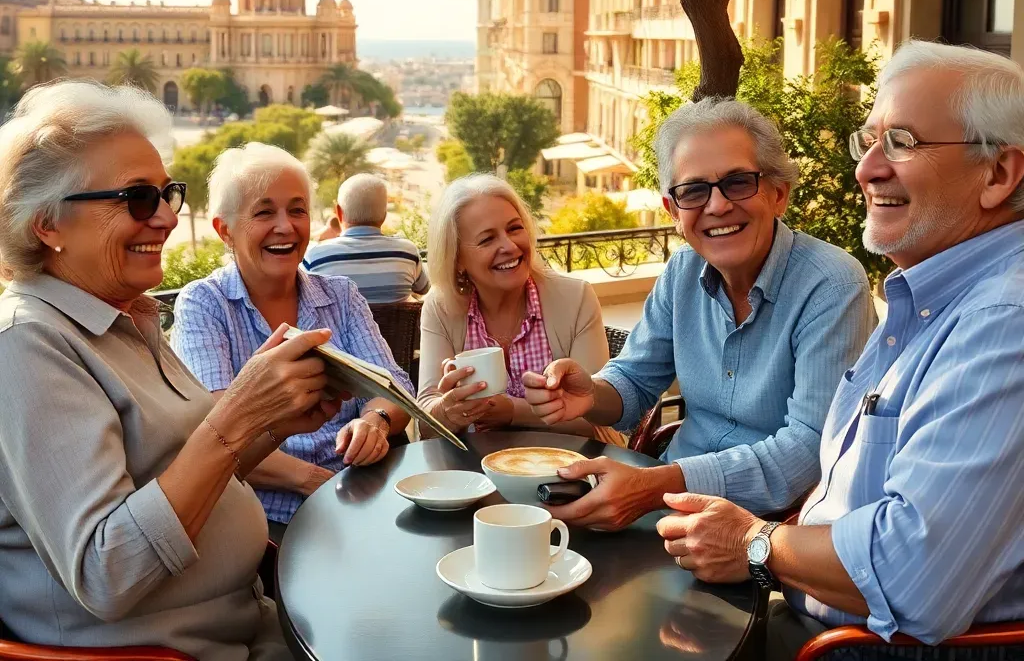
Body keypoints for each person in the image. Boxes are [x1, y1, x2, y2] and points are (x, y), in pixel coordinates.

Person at [653, 41, 1024, 660]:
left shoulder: (1001, 324)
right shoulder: (928, 299)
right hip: (805, 605)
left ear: (999, 175)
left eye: (902, 142)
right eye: (870, 141)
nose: (868, 169)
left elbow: (915, 575)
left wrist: (756, 543)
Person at [0, 81, 339, 659]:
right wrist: (233, 418)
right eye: (136, 198)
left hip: (252, 615)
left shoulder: (123, 318)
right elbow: (107, 572)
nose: (163, 217)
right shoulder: (28, 345)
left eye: (166, 193)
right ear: (47, 224)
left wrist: (275, 419)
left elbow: (183, 470)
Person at [523, 98, 874, 530]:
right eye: (694, 191)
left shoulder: (832, 285)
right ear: (673, 212)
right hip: (664, 506)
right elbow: (633, 382)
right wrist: (589, 395)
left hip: (763, 531)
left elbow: (809, 448)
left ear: (778, 194)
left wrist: (655, 486)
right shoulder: (682, 273)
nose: (718, 206)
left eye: (738, 182)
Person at [172, 143, 412, 537]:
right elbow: (216, 432)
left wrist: (375, 421)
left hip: (359, 493)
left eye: (297, 210)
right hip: (265, 517)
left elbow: (395, 385)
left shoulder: (341, 294)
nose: (285, 226)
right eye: (264, 212)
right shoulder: (205, 304)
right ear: (224, 230)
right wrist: (309, 479)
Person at [418, 174, 623, 443]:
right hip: (474, 476)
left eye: (514, 228)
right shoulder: (441, 306)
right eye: (487, 239)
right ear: (457, 259)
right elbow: (425, 424)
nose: (509, 246)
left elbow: (596, 422)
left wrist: (513, 412)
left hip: (568, 471)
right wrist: (447, 412)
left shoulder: (575, 298)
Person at [302, 173, 430, 304]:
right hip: (401, 324)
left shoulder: (315, 258)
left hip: (335, 326)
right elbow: (424, 288)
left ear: (339, 213)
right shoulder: (407, 253)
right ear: (384, 215)